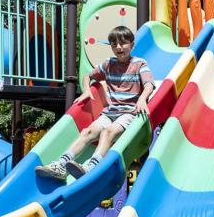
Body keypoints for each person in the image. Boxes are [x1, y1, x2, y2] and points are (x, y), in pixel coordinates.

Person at [35, 26, 154, 181]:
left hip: (129, 112)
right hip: (110, 112)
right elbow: (88, 76)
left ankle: (92, 167)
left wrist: (142, 98)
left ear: (132, 44)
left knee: (107, 132)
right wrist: (86, 91)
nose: (119, 47)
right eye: (114, 44)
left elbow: (149, 84)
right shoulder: (108, 64)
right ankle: (61, 165)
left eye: (123, 43)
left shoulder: (139, 63)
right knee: (88, 132)